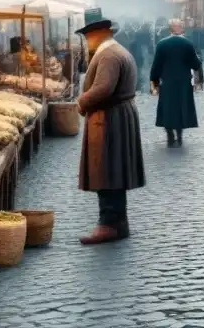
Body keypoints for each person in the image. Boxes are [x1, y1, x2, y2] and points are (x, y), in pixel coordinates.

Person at [77, 16, 146, 245]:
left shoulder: (108, 55)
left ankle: (109, 224)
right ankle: (118, 222)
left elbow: (103, 88)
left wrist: (82, 101)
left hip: (109, 119)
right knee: (113, 170)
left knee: (106, 170)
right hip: (116, 116)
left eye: (88, 36)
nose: (87, 41)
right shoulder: (116, 51)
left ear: (99, 34)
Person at [149, 19, 202, 146]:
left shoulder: (162, 44)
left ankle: (170, 135)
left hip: (167, 82)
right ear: (180, 29)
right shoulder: (187, 43)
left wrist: (154, 81)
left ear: (170, 29)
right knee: (181, 108)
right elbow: (195, 64)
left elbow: (156, 65)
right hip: (183, 82)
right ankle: (179, 135)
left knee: (167, 109)